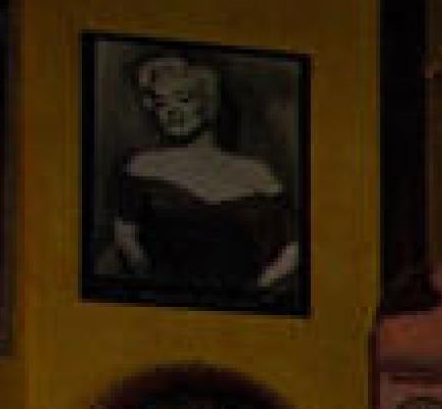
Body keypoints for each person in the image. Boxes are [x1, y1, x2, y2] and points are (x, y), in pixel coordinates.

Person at [98, 48, 303, 302]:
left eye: (183, 99)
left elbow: (295, 246)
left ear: (207, 103)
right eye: (162, 103)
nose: (172, 111)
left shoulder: (255, 172)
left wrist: (256, 290)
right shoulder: (141, 166)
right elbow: (126, 240)